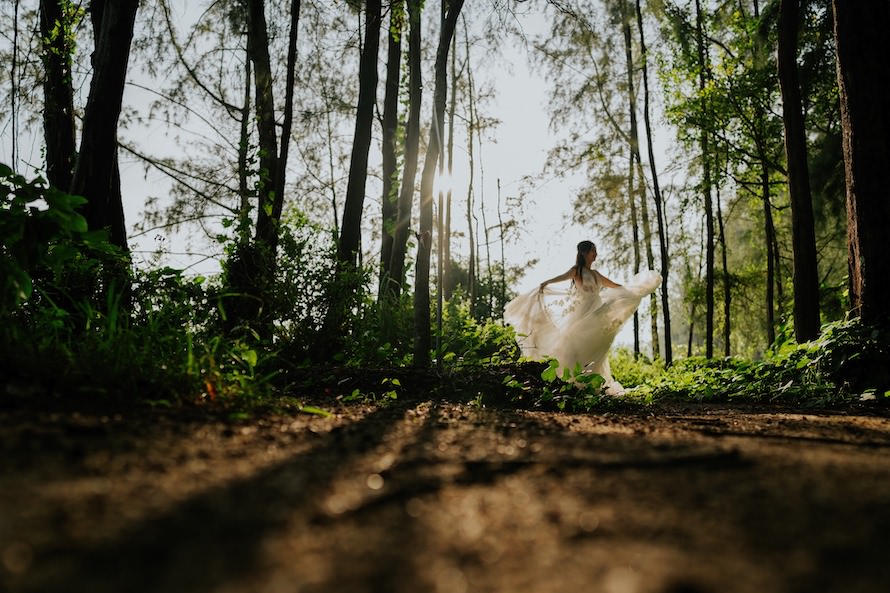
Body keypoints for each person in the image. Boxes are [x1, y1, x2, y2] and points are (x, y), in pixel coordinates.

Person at [503, 240, 661, 395]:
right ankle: (573, 381)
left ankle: (592, 382)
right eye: (593, 251)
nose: (596, 254)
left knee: (595, 348)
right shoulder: (577, 271)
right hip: (582, 314)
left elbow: (616, 286)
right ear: (585, 253)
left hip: (597, 314)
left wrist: (636, 290)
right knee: (575, 345)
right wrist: (545, 284)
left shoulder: (596, 274)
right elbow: (560, 278)